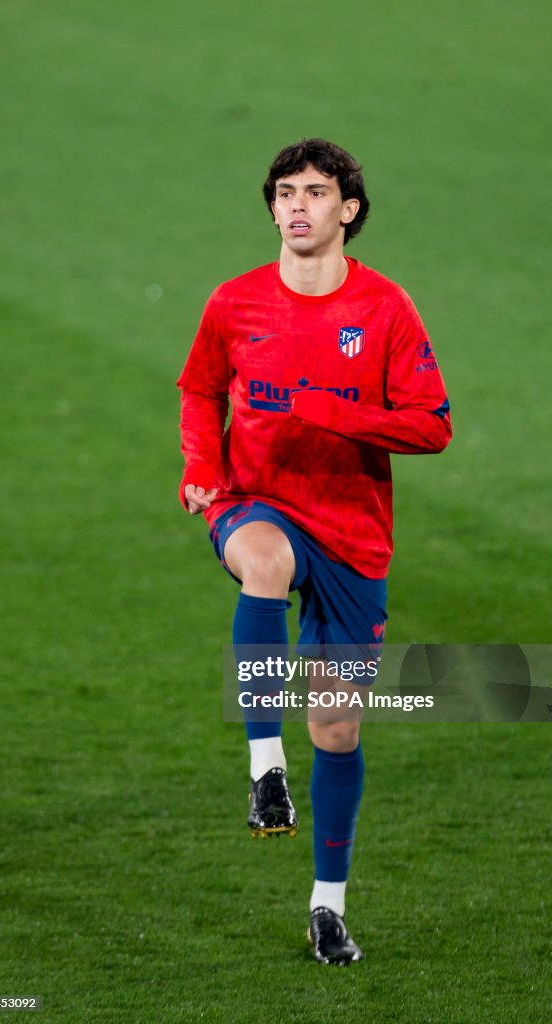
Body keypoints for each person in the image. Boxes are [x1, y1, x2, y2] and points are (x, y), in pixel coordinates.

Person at [177, 138, 451, 965]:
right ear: (272, 208)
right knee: (262, 564)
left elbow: (432, 422)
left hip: (353, 533)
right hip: (256, 502)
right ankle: (265, 767)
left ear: (348, 209)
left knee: (335, 727)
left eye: (316, 192)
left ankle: (327, 906)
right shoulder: (235, 304)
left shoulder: (385, 311)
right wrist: (202, 468)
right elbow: (200, 389)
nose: (298, 206)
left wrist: (340, 415)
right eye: (285, 192)